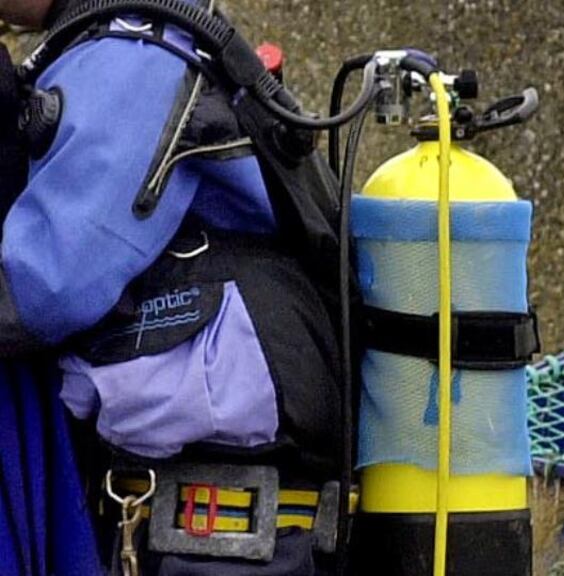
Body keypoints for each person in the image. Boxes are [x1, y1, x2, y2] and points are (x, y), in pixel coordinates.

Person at [0, 0, 346, 573]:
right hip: (175, 512)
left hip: (226, 527)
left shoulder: (133, 58)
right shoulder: (104, 49)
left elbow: (43, 287)